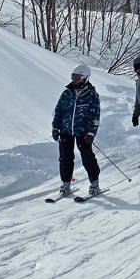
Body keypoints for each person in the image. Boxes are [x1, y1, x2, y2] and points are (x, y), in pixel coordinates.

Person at [52, 65, 101, 198]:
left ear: (85, 78)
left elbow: (95, 116)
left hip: (83, 131)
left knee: (87, 157)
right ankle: (66, 183)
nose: (74, 80)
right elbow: (58, 111)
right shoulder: (66, 93)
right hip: (66, 130)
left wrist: (91, 133)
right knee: (65, 158)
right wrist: (55, 128)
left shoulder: (91, 95)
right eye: (73, 77)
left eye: (77, 77)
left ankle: (94, 183)